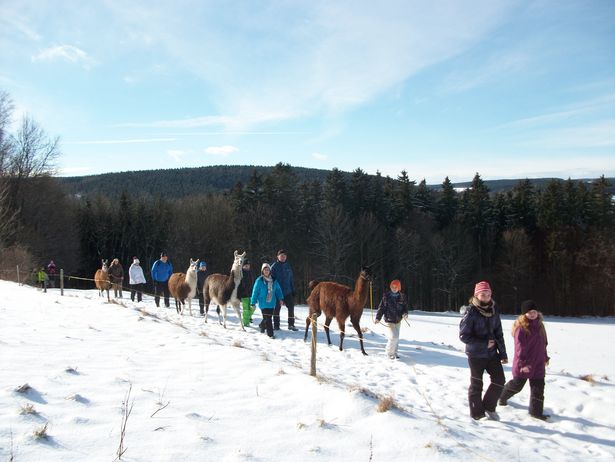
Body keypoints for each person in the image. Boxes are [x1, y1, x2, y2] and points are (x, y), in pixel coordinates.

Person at [459, 281, 508, 421]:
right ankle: (477, 413)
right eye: (483, 294)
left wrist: (503, 353)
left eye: (488, 294)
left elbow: (499, 332)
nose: (486, 297)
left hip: (492, 354)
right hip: (475, 354)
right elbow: (463, 336)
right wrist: (483, 344)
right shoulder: (471, 312)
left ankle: (489, 406)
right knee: (477, 384)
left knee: (499, 380)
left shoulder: (494, 310)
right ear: (476, 295)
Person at [499, 300, 550, 420]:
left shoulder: (540, 326)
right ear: (524, 314)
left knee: (538, 388)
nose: (532, 314)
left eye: (534, 312)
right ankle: (501, 396)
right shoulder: (521, 328)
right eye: (529, 312)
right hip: (524, 363)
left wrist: (545, 357)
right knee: (517, 385)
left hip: (538, 363)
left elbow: (543, 344)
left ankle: (536, 412)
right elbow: (520, 348)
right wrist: (524, 364)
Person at [374, 279, 409, 359]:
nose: (394, 288)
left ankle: (395, 353)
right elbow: (381, 308)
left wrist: (405, 314)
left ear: (399, 288)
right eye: (392, 287)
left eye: (395, 287)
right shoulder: (386, 296)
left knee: (396, 338)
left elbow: (405, 308)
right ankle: (389, 353)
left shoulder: (402, 297)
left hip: (398, 320)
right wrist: (378, 318)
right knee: (394, 336)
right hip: (389, 320)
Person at [250, 263, 284, 338]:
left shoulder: (274, 280)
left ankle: (262, 325)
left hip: (272, 302)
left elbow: (278, 290)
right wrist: (253, 302)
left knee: (267, 317)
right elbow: (255, 292)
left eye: (268, 269)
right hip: (263, 303)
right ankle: (270, 334)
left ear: (270, 271)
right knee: (268, 319)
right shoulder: (259, 280)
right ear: (262, 271)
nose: (266, 271)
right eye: (265, 270)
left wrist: (281, 298)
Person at [270, 249, 297, 331]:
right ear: (278, 257)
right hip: (277, 292)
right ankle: (276, 325)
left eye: (284, 256)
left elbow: (291, 279)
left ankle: (291, 324)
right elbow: (271, 280)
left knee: (291, 307)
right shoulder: (274, 266)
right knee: (277, 309)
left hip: (287, 291)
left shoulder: (288, 266)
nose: (283, 257)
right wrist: (272, 291)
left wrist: (293, 290)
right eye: (281, 256)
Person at [237, 259, 255, 327]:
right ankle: (246, 323)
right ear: (243, 266)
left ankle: (248, 317)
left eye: (248, 265)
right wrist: (240, 293)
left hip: (251, 293)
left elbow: (253, 282)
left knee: (253, 307)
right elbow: (239, 284)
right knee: (246, 309)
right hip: (244, 294)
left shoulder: (251, 272)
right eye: (246, 266)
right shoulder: (241, 273)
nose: (247, 267)